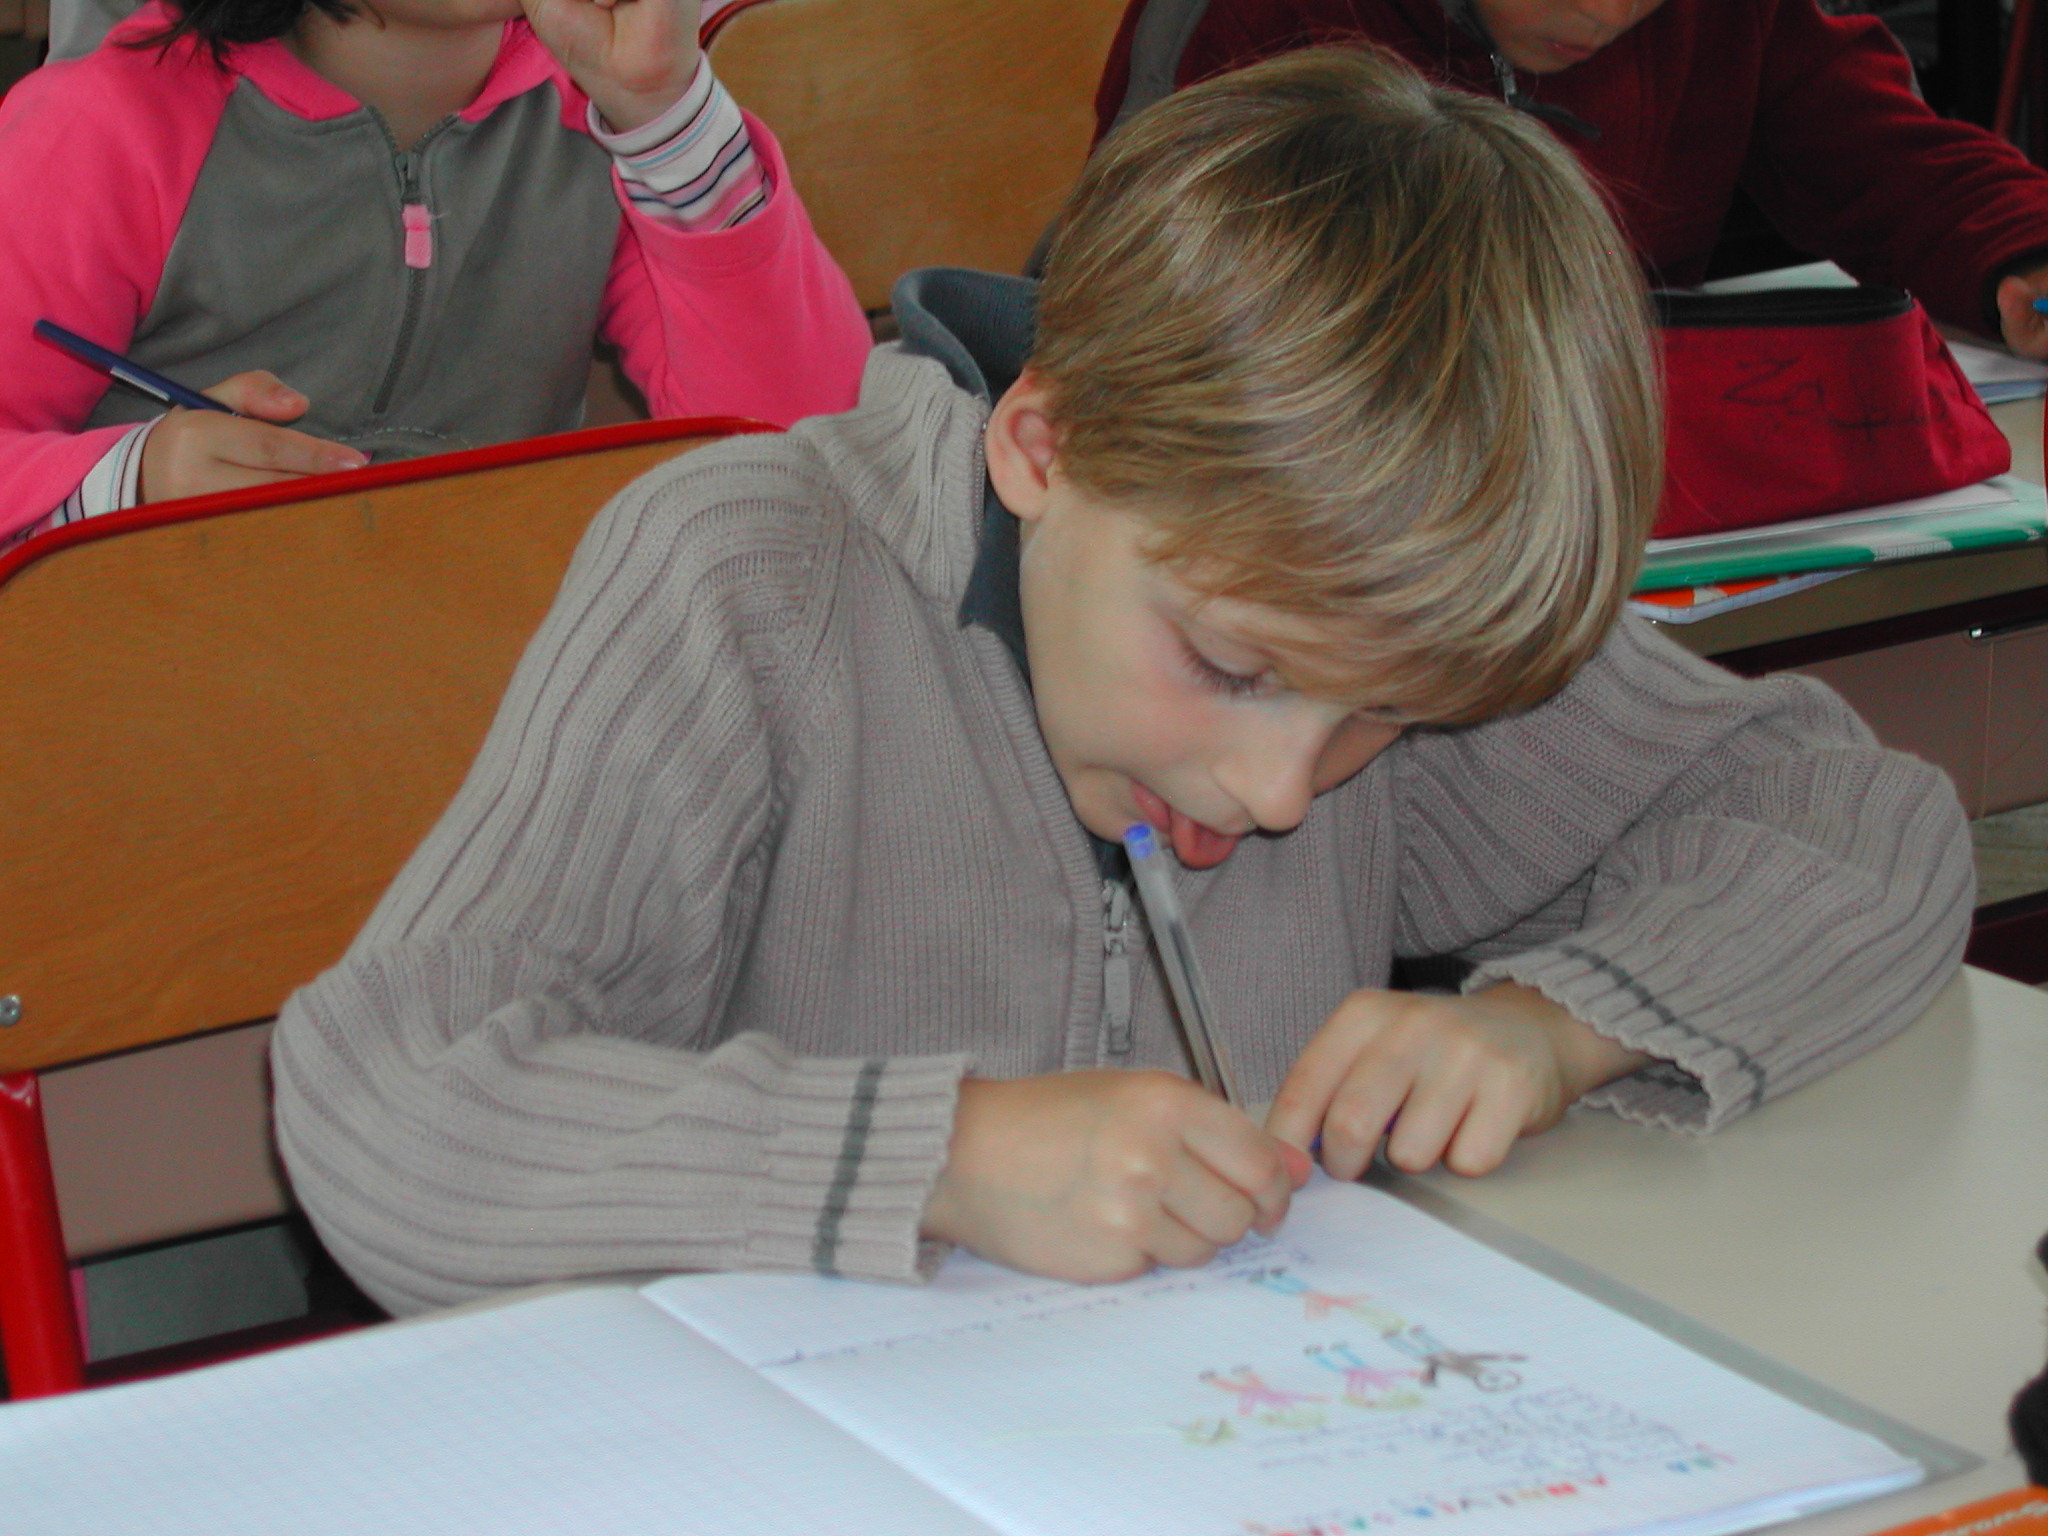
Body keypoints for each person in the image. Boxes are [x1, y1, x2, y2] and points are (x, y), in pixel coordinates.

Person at [272, 45, 1973, 1315]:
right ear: (1041, 446)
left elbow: (1857, 821)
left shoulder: (1358, 615)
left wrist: (1552, 1030)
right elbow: (384, 1108)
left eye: (1378, 717)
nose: (1284, 788)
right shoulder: (751, 581)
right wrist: (939, 1158)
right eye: (1230, 667)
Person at [0, 0, 869, 543]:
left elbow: (804, 453)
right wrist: (128, 480)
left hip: (483, 693)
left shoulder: (608, 119)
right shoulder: (103, 129)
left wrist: (666, 117)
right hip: (164, 695)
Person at [1091, 0, 2048, 358]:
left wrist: (2021, 252)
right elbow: (1133, 313)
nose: (1604, 12)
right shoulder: (1246, 17)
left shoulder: (1732, 17)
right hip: (1326, 516)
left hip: (1622, 516)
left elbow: (1892, 160)